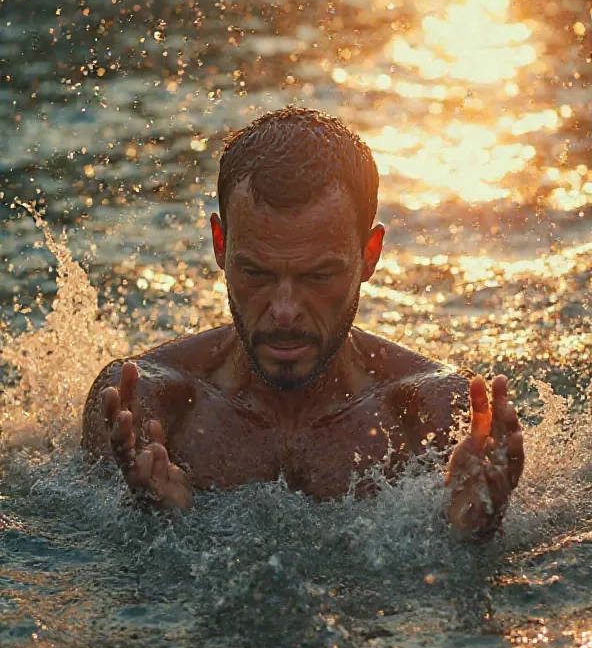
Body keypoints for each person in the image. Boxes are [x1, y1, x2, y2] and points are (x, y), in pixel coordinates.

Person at [82, 107, 524, 539]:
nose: (285, 310)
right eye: (256, 273)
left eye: (318, 276)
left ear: (369, 255)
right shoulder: (142, 402)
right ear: (221, 245)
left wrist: (475, 533)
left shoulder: (438, 412)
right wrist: (151, 523)